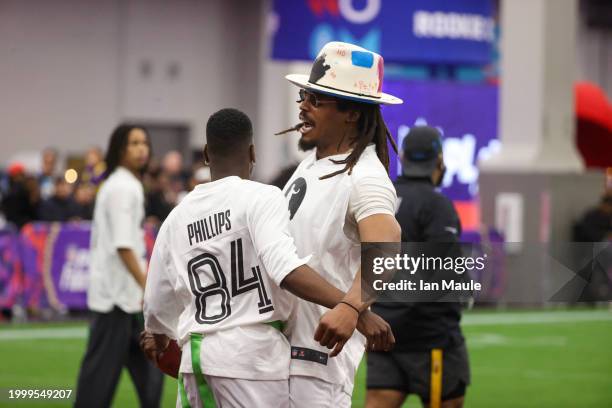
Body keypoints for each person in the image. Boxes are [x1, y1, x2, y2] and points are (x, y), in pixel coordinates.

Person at [142, 108, 393, 407]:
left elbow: (155, 306)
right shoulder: (264, 197)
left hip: (195, 356)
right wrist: (353, 309)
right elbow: (285, 269)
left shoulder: (175, 217)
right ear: (252, 152)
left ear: (207, 153)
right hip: (253, 355)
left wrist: (158, 334)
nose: (304, 106)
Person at [276, 41, 402, 407]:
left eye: (316, 99)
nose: (302, 105)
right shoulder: (311, 165)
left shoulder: (365, 176)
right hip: (281, 355)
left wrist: (351, 309)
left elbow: (387, 245)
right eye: (304, 95)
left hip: (316, 364)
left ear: (351, 113)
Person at [366, 126, 470, 408]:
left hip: (382, 329)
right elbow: (443, 270)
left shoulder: (382, 197)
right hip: (429, 337)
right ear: (439, 161)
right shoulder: (437, 205)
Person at [74, 124, 163, 408]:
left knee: (151, 376)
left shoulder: (123, 183)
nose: (141, 149)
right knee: (97, 386)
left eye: (144, 142)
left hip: (128, 301)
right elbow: (124, 245)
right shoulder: (123, 187)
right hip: (115, 301)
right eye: (133, 143)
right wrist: (147, 286)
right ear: (119, 149)